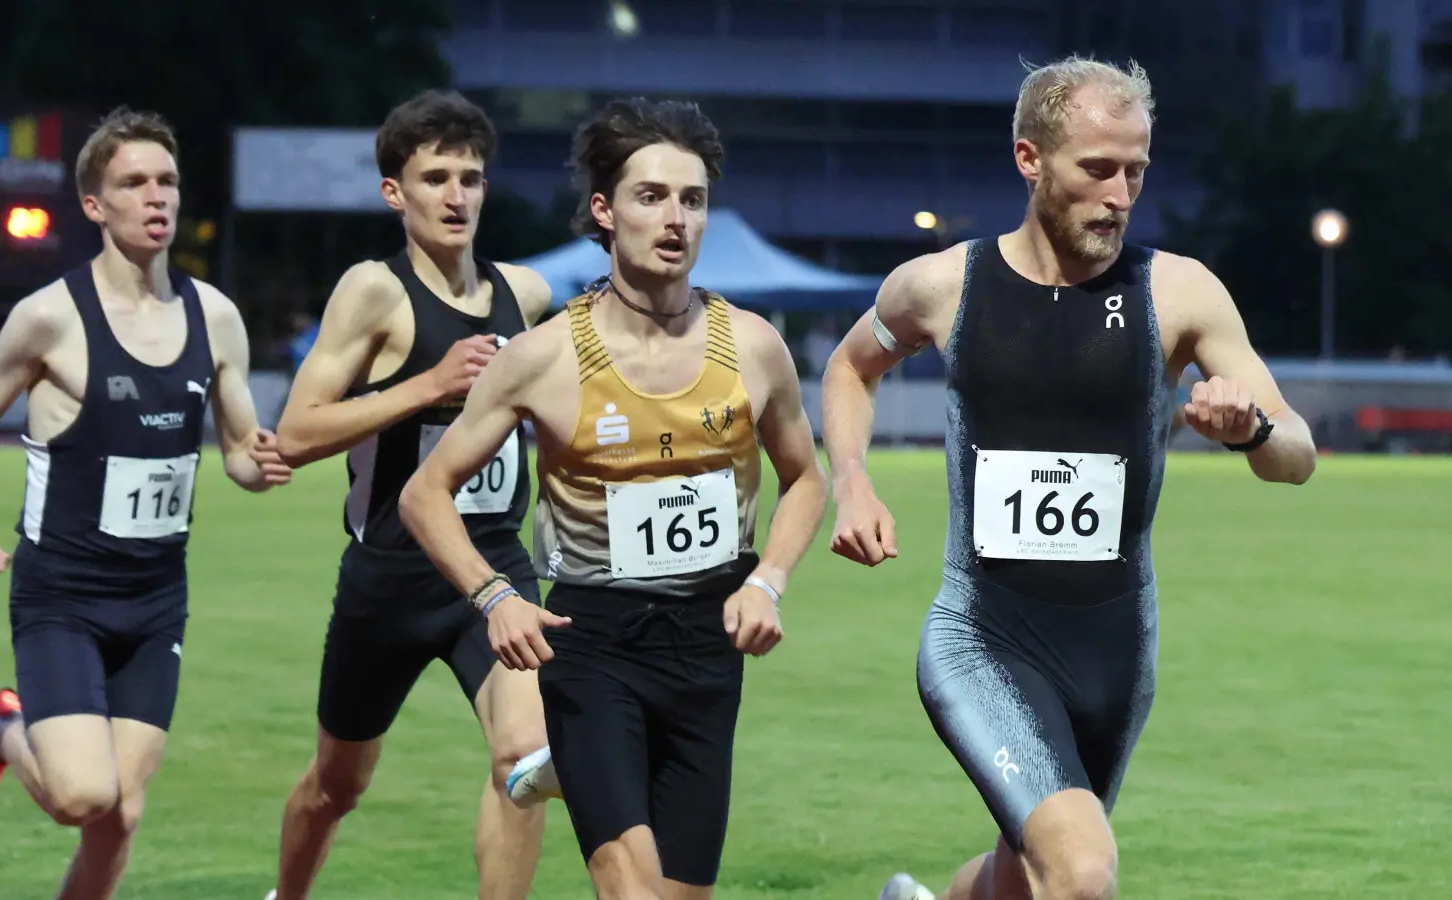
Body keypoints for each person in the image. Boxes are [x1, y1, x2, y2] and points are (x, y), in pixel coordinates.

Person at [817, 56, 1318, 900]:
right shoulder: (942, 286)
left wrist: (1253, 429)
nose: (1120, 195)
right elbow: (847, 367)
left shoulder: (1178, 292)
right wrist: (852, 481)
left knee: (1029, 875)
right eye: (1097, 169)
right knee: (1082, 873)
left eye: (1136, 171)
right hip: (982, 635)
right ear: (1031, 159)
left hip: (1116, 651)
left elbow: (1297, 455)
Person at [399, 96, 829, 900]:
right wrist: (495, 597)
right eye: (651, 196)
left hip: (707, 648)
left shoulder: (754, 347)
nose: (675, 219)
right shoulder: (543, 358)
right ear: (604, 210)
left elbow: (806, 477)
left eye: (692, 199)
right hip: (593, 644)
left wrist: (768, 579)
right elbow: (425, 493)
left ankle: (568, 768)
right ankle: (580, 755)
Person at [0, 107, 293, 900]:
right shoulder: (50, 318)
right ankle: (1, 729)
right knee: (81, 797)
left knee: (119, 816)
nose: (156, 196)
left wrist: (259, 466)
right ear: (95, 205)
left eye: (167, 180)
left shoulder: (215, 317)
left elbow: (239, 450)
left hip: (157, 601)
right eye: (134, 183)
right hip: (62, 597)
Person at [266, 89, 556, 900]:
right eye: (435, 178)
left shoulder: (525, 295)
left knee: (524, 761)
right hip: (389, 579)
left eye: (471, 177)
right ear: (395, 192)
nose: (456, 195)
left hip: (490, 567)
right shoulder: (374, 292)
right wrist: (428, 384)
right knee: (336, 786)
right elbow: (296, 432)